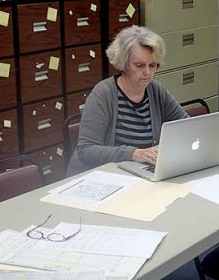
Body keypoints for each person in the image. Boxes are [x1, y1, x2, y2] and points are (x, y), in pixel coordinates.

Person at [67, 25, 187, 176]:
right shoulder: (103, 94)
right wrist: (133, 153)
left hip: (136, 174)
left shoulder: (156, 90)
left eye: (153, 65)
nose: (147, 73)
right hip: (98, 176)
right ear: (123, 63)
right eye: (139, 65)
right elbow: (87, 150)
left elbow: (186, 126)